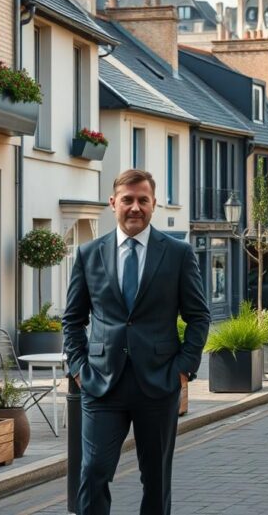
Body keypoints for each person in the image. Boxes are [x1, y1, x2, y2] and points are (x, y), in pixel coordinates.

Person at [63, 170, 210, 515]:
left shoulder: (177, 253)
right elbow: (72, 319)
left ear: (153, 204)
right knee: (94, 471)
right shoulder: (89, 254)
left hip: (158, 383)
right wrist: (79, 368)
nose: (135, 207)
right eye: (127, 199)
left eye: (142, 200)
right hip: (101, 383)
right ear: (113, 203)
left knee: (156, 479)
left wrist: (183, 369)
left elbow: (199, 316)